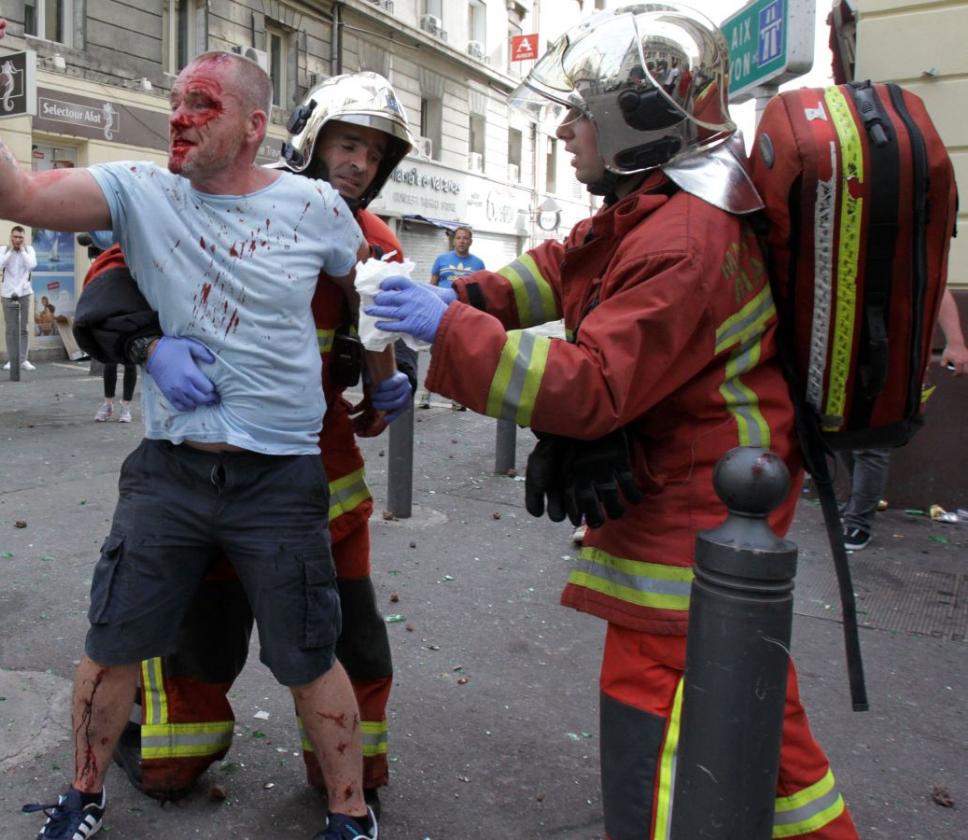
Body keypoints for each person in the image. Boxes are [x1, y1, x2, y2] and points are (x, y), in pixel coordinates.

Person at [366, 6, 857, 838]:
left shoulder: (685, 237)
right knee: (753, 719)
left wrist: (439, 329)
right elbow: (566, 267)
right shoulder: (655, 203)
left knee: (667, 731)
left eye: (578, 113)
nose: (562, 128)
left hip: (697, 521)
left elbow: (590, 388)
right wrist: (460, 296)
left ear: (632, 126)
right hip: (704, 498)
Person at [0, 13, 399, 839]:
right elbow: (13, 194)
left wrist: (381, 374)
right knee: (113, 640)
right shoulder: (139, 193)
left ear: (255, 127)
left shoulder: (320, 209)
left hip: (283, 479)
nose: (180, 116)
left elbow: (368, 286)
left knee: (308, 655)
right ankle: (81, 795)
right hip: (172, 472)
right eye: (176, 100)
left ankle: (351, 815)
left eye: (203, 104)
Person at [78, 71, 415, 808]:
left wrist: (395, 375)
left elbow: (395, 319)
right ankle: (169, 754)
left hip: (316, 484)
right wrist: (147, 347)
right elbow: (111, 281)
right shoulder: (207, 201)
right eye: (349, 144)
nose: (360, 164)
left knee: (345, 643)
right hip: (202, 474)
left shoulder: (366, 237)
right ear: (307, 134)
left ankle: (352, 783)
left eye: (376, 155)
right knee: (194, 639)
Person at [839, 288, 968, 551]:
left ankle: (859, 521)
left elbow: (938, 287)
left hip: (894, 351)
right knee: (843, 433)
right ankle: (859, 503)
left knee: (873, 438)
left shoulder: (912, 247)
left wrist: (955, 343)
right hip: (848, 347)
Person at [419, 225, 483, 410]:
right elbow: (431, 287)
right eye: (459, 238)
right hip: (441, 314)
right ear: (454, 240)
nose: (461, 241)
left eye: (465, 238)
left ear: (470, 241)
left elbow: (480, 291)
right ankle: (426, 394)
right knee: (435, 354)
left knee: (458, 356)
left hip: (463, 317)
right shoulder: (441, 260)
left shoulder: (478, 264)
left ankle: (457, 399)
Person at [0, 224, 37, 371]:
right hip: (7, 293)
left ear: (24, 238)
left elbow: (32, 265)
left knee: (23, 328)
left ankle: (23, 359)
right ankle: (12, 360)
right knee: (11, 328)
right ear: (11, 237)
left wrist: (23, 251)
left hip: (24, 293)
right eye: (15, 236)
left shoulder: (29, 250)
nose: (18, 239)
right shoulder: (3, 250)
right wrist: (11, 251)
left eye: (20, 237)